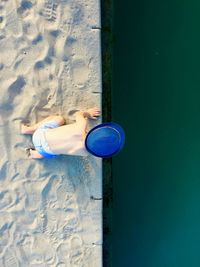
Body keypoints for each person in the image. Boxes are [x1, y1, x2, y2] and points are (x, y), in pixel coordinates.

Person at [21, 107, 101, 159]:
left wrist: (88, 113)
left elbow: (79, 114)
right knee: (54, 152)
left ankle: (29, 130)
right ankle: (34, 154)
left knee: (60, 119)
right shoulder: (84, 152)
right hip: (45, 151)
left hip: (39, 136)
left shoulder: (81, 126)